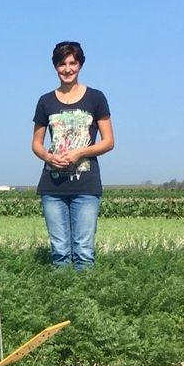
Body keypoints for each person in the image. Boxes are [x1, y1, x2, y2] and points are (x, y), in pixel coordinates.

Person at [31, 41, 114, 270]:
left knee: (84, 251)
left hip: (86, 186)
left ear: (80, 65)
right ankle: (61, 300)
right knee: (59, 252)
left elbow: (108, 142)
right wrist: (49, 158)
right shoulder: (45, 101)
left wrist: (80, 152)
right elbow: (36, 144)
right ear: (55, 67)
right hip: (52, 186)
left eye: (72, 63)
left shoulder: (96, 98)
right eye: (62, 64)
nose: (67, 69)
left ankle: (84, 302)